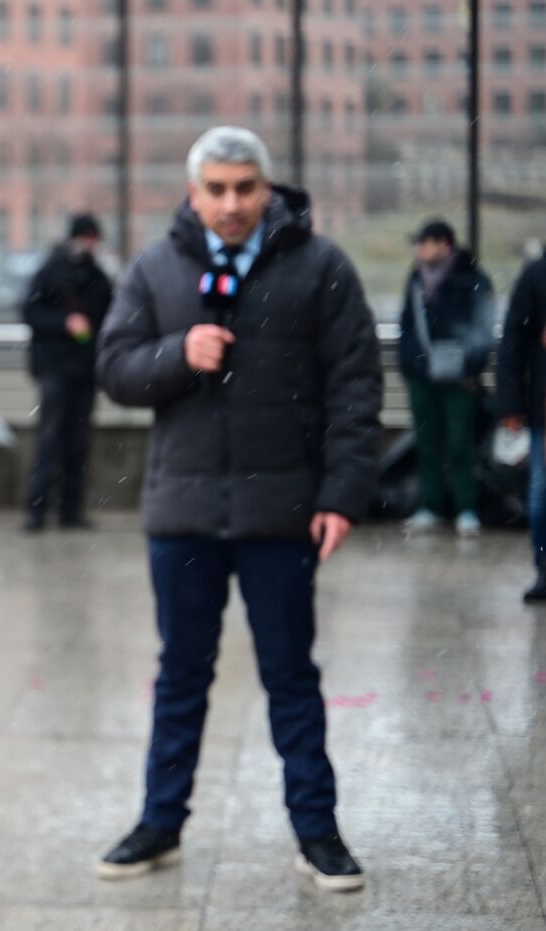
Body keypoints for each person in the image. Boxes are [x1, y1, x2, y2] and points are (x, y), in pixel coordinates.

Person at [96, 126, 382, 892]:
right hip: (182, 512)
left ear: (267, 188)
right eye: (216, 189)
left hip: (280, 512)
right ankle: (159, 823)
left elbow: (356, 385)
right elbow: (114, 367)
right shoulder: (155, 268)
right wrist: (177, 353)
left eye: (244, 188)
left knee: (291, 675)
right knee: (181, 674)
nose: (231, 203)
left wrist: (341, 494)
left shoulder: (321, 267)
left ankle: (317, 831)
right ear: (194, 194)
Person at [398, 219, 495, 538]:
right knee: (426, 442)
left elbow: (483, 326)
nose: (419, 249)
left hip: (459, 377)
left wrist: (470, 366)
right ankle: (432, 505)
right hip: (421, 374)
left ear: (444, 245)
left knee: (460, 442)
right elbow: (407, 324)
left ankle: (466, 507)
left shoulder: (472, 278)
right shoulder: (416, 280)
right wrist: (410, 363)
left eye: (425, 242)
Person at [22, 213, 114, 531]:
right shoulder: (51, 272)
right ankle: (37, 509)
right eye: (86, 237)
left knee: (78, 441)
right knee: (51, 438)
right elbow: (32, 313)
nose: (90, 244)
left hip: (84, 370)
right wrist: (65, 322)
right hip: (55, 367)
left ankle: (70, 510)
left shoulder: (97, 277)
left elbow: (107, 316)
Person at [496, 251, 546, 601]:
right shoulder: (537, 275)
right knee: (541, 492)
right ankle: (544, 566)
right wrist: (510, 403)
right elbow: (512, 341)